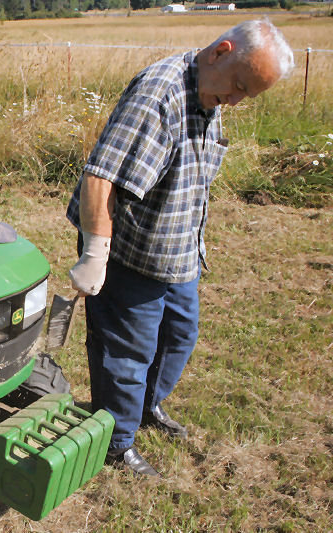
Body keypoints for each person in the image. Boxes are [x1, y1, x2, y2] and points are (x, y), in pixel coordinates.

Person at [66, 19, 294, 476]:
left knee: (178, 336)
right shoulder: (160, 95)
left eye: (246, 95)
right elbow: (100, 176)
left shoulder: (210, 88)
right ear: (220, 51)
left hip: (176, 249)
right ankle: (117, 440)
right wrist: (94, 256)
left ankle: (146, 408)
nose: (235, 101)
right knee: (127, 353)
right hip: (130, 252)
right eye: (238, 87)